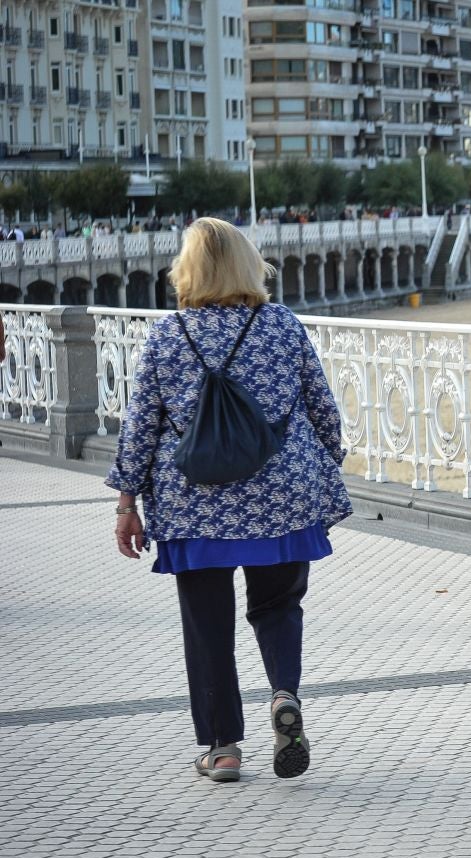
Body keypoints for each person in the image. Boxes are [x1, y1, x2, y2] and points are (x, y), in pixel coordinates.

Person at [107, 217, 352, 784]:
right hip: (282, 500)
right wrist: (318, 471)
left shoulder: (169, 335)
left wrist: (126, 504)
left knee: (207, 624)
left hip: (194, 504)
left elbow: (140, 427)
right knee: (278, 606)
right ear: (248, 265)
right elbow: (324, 412)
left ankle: (221, 750)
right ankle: (284, 697)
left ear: (185, 271)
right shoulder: (282, 326)